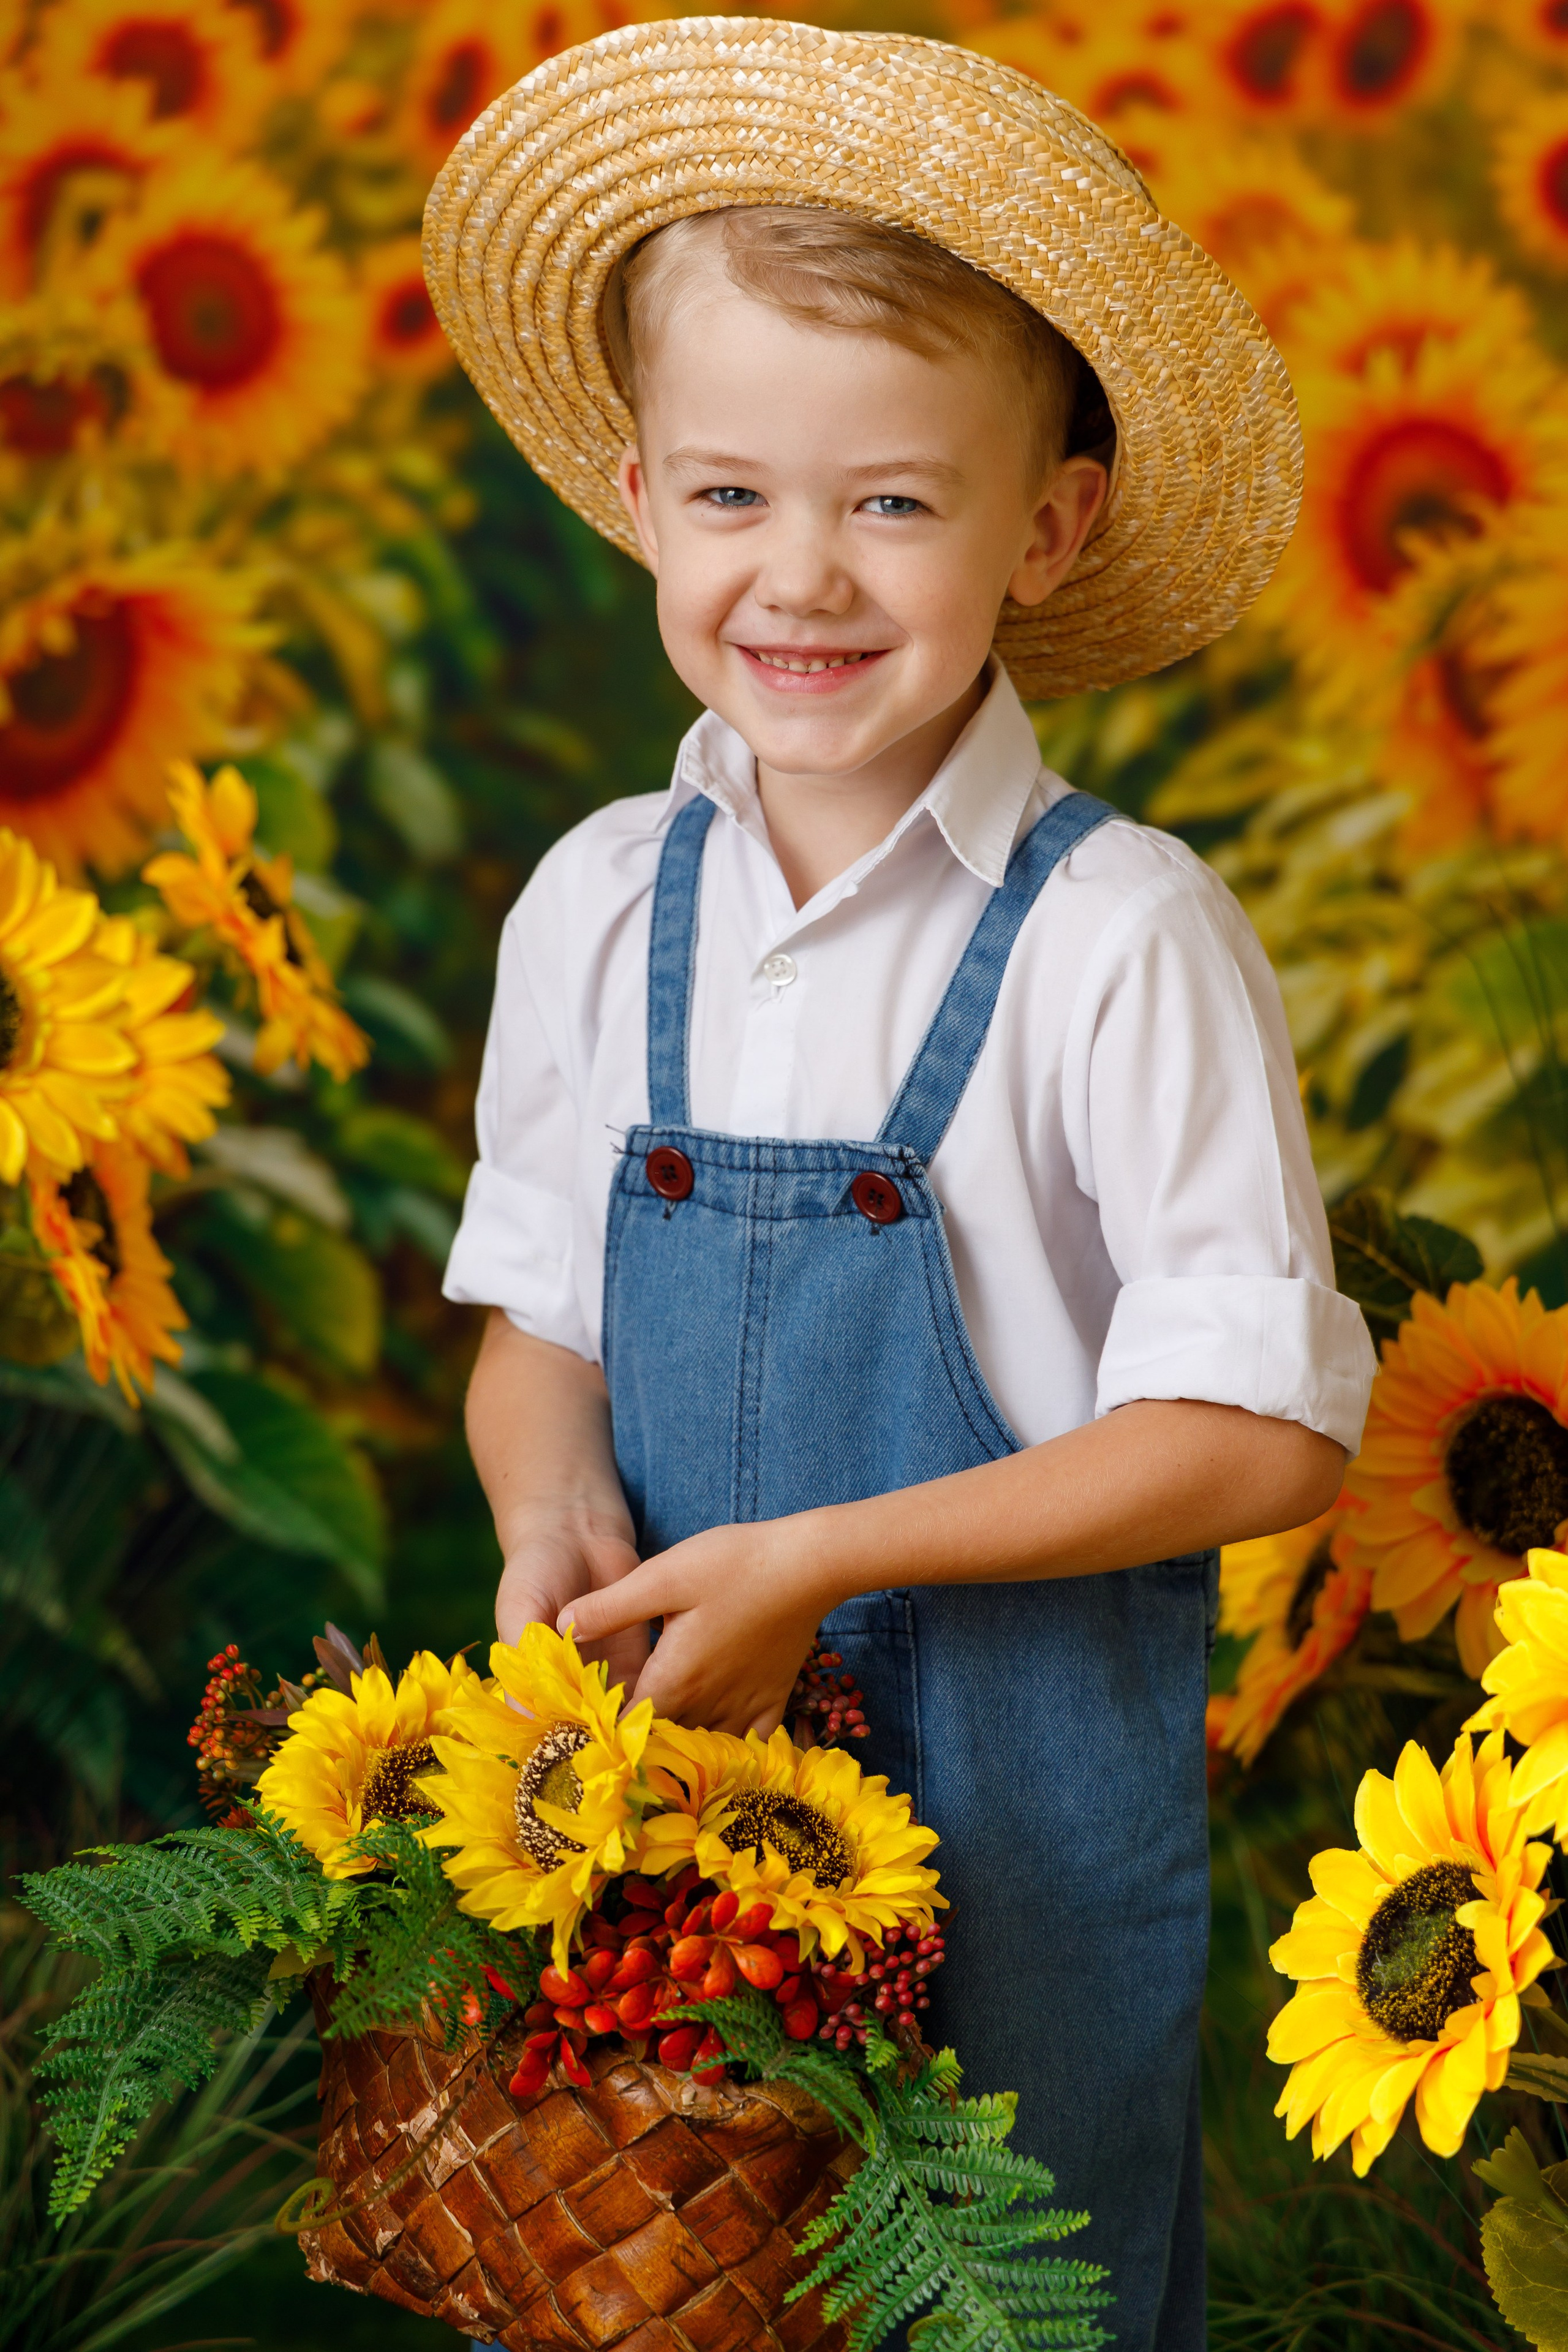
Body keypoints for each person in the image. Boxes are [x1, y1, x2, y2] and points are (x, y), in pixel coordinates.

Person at [429, 21, 1377, 2346]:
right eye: (737, 495)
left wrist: (830, 1560)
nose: (805, 578)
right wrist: (553, 1524)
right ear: (641, 497)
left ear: (1045, 523)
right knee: (661, 2282)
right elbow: (539, 1320)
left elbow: (1267, 1431)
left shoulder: (1114, 935)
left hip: (1026, 1857)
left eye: (897, 503)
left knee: (1008, 2313)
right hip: (682, 1809)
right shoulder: (598, 905)